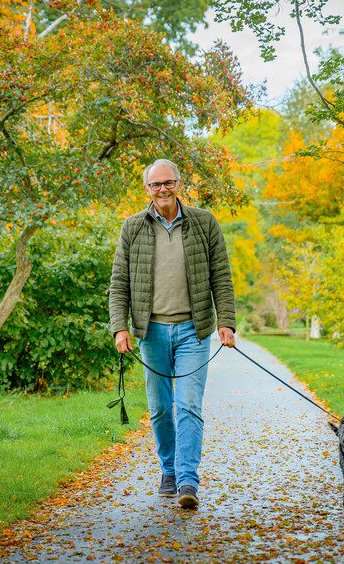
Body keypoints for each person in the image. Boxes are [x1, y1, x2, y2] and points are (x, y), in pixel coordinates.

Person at [109, 158, 236, 509]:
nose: (162, 189)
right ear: (147, 189)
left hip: (194, 332)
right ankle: (168, 469)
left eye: (168, 182)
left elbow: (221, 277)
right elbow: (119, 283)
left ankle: (187, 481)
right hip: (152, 333)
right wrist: (119, 327)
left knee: (189, 405)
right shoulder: (132, 228)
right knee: (162, 408)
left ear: (179, 184)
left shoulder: (204, 222)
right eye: (155, 184)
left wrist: (226, 321)